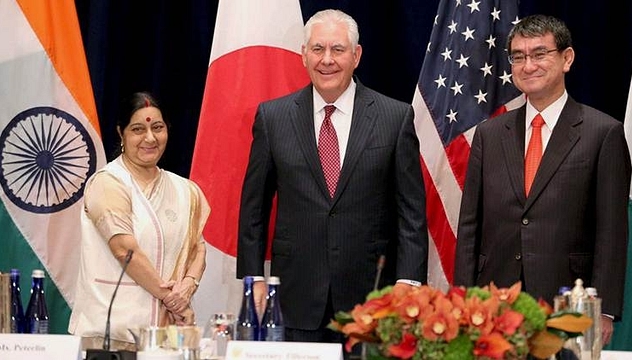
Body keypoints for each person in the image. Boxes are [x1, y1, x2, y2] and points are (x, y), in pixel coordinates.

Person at [236, 9, 428, 347]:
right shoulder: (273, 117)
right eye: (318, 49)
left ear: (356, 56)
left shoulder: (395, 117)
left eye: (338, 50)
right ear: (303, 55)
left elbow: (411, 212)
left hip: (373, 300)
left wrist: (409, 282)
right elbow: (254, 209)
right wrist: (254, 279)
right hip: (294, 300)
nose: (327, 60)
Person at [454, 14, 631, 346]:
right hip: (494, 302)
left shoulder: (602, 133)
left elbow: (612, 230)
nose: (528, 65)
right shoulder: (490, 134)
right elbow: (469, 226)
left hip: (569, 303)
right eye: (518, 56)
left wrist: (603, 311)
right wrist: (464, 297)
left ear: (567, 59)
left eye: (539, 54)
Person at [68, 91, 211, 351]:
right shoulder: (108, 183)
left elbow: (197, 248)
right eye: (138, 129)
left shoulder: (185, 190)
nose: (150, 138)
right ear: (121, 133)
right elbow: (124, 250)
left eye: (157, 128)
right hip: (112, 336)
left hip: (170, 335)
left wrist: (189, 286)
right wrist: (172, 298)